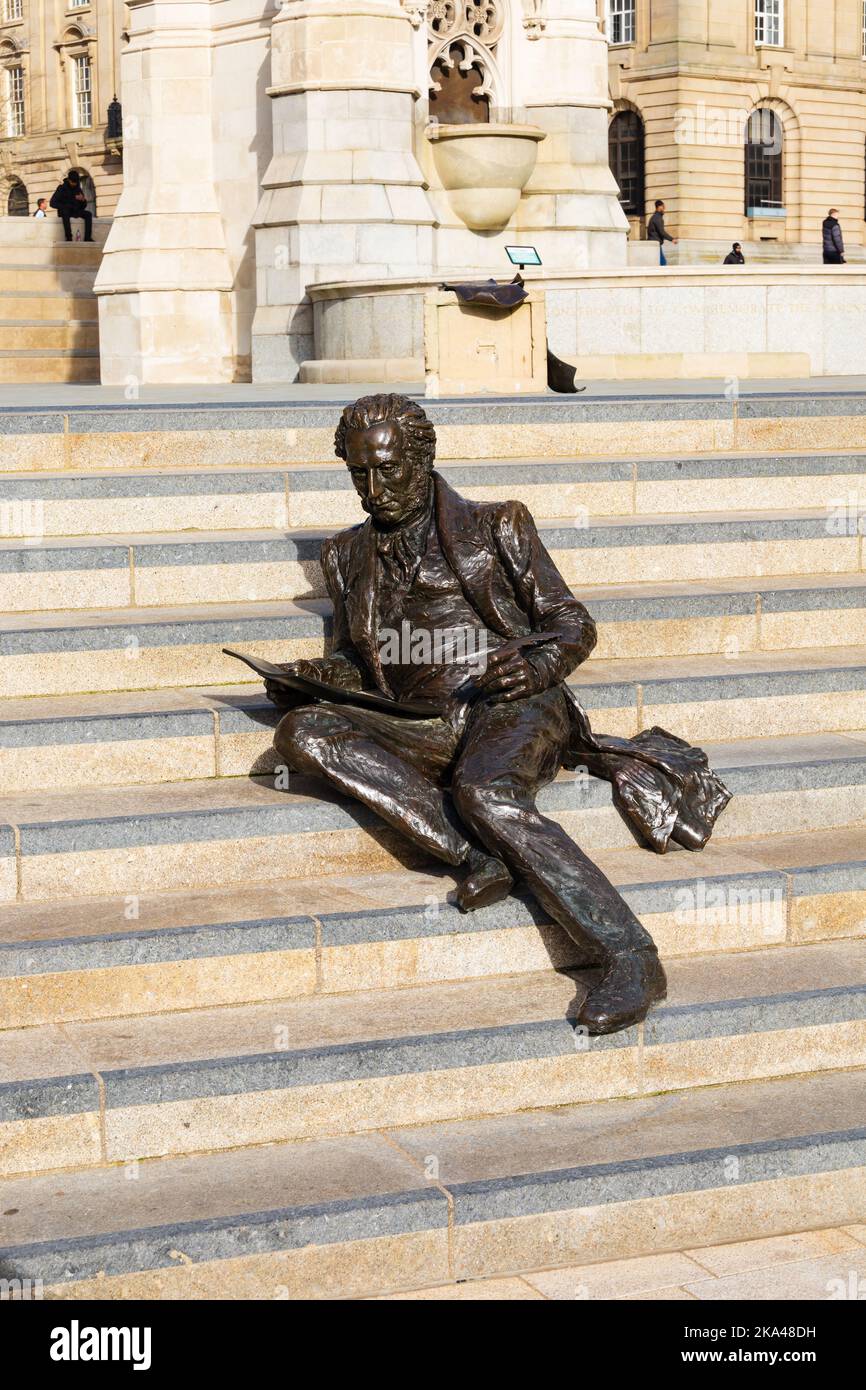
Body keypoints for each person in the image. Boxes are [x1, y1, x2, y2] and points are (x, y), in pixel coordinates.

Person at [265, 395, 731, 1035]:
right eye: (358, 474)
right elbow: (354, 656)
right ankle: (476, 856)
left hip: (513, 700)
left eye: (388, 469)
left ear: (423, 458)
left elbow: (572, 624)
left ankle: (629, 955)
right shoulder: (346, 554)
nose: (373, 490)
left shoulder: (497, 525)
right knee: (304, 732)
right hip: (419, 717)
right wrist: (316, 679)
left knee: (485, 789)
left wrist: (539, 668)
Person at [48, 170, 93, 242]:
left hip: (75, 211)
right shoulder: (61, 188)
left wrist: (83, 200)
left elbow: (83, 206)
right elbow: (52, 203)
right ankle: (68, 237)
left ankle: (87, 238)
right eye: (73, 182)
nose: (74, 184)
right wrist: (64, 206)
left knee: (88, 214)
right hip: (65, 211)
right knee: (65, 212)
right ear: (69, 180)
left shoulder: (78, 188)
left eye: (76, 182)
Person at [647, 199, 676, 265]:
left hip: (654, 243)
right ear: (659, 207)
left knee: (661, 262)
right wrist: (672, 239)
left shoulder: (655, 217)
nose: (664, 208)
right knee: (663, 263)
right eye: (663, 207)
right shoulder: (657, 218)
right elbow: (662, 232)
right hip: (655, 243)